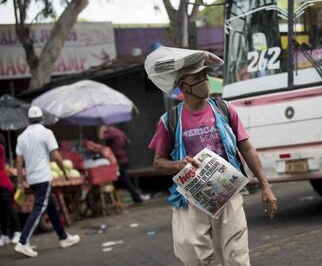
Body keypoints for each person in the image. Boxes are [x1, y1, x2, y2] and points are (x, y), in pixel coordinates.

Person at [145, 46, 277, 266]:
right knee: (192, 254)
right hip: (191, 196)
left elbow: (247, 149)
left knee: (236, 256)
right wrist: (178, 164)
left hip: (227, 189)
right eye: (197, 78)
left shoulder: (225, 110)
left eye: (205, 76)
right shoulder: (169, 120)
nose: (204, 82)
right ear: (183, 86)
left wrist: (265, 185)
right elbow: (158, 163)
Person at [14, 106, 80, 258]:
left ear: (28, 119)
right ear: (41, 118)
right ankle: (23, 242)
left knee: (51, 206)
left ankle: (63, 238)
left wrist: (19, 183)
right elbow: (56, 156)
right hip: (43, 177)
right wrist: (65, 172)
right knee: (39, 207)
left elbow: (18, 162)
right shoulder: (46, 133)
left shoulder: (21, 137)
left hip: (32, 179)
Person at [98, 125, 150, 203]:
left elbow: (101, 137)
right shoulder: (120, 132)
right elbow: (127, 142)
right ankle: (132, 198)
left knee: (123, 181)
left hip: (117, 160)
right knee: (121, 180)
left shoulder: (111, 133)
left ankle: (137, 197)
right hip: (124, 159)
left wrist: (101, 129)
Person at [0, 133, 21, 246]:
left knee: (9, 208)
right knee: (1, 211)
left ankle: (18, 231)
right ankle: (4, 235)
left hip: (2, 182)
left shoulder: (1, 148)